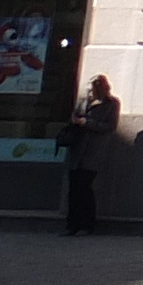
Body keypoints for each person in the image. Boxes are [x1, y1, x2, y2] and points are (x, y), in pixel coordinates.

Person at [61, 76, 120, 237]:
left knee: (85, 188)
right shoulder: (83, 101)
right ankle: (71, 225)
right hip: (77, 149)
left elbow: (110, 126)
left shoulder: (111, 104)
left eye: (93, 89)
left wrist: (87, 123)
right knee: (73, 189)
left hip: (93, 151)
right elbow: (74, 116)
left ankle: (87, 225)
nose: (90, 92)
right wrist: (75, 121)